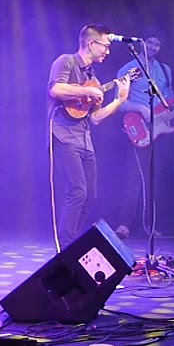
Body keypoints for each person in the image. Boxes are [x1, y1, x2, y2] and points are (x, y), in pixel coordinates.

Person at [47, 25, 132, 250]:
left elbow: (95, 118)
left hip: (84, 140)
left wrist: (119, 100)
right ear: (91, 43)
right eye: (105, 46)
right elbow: (56, 90)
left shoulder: (92, 77)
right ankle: (66, 247)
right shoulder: (66, 61)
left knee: (90, 195)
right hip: (63, 135)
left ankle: (73, 242)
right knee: (77, 191)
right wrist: (87, 91)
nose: (108, 51)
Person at [112, 33, 174, 239]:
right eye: (150, 42)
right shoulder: (128, 69)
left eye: (157, 44)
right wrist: (141, 108)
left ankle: (149, 225)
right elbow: (119, 103)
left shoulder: (165, 70)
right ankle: (124, 224)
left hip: (161, 129)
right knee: (134, 177)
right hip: (138, 127)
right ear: (142, 43)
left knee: (155, 179)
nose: (153, 47)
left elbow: (169, 97)